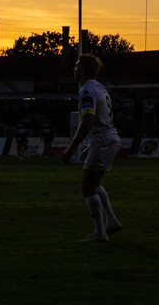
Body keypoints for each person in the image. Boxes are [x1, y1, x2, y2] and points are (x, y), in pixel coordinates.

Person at [60, 55, 123, 242]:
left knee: (88, 187)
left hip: (103, 141)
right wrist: (90, 146)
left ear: (84, 70)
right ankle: (111, 221)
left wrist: (72, 148)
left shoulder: (86, 90)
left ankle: (100, 233)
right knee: (94, 184)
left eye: (77, 66)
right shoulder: (99, 87)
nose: (74, 69)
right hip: (108, 139)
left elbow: (88, 121)